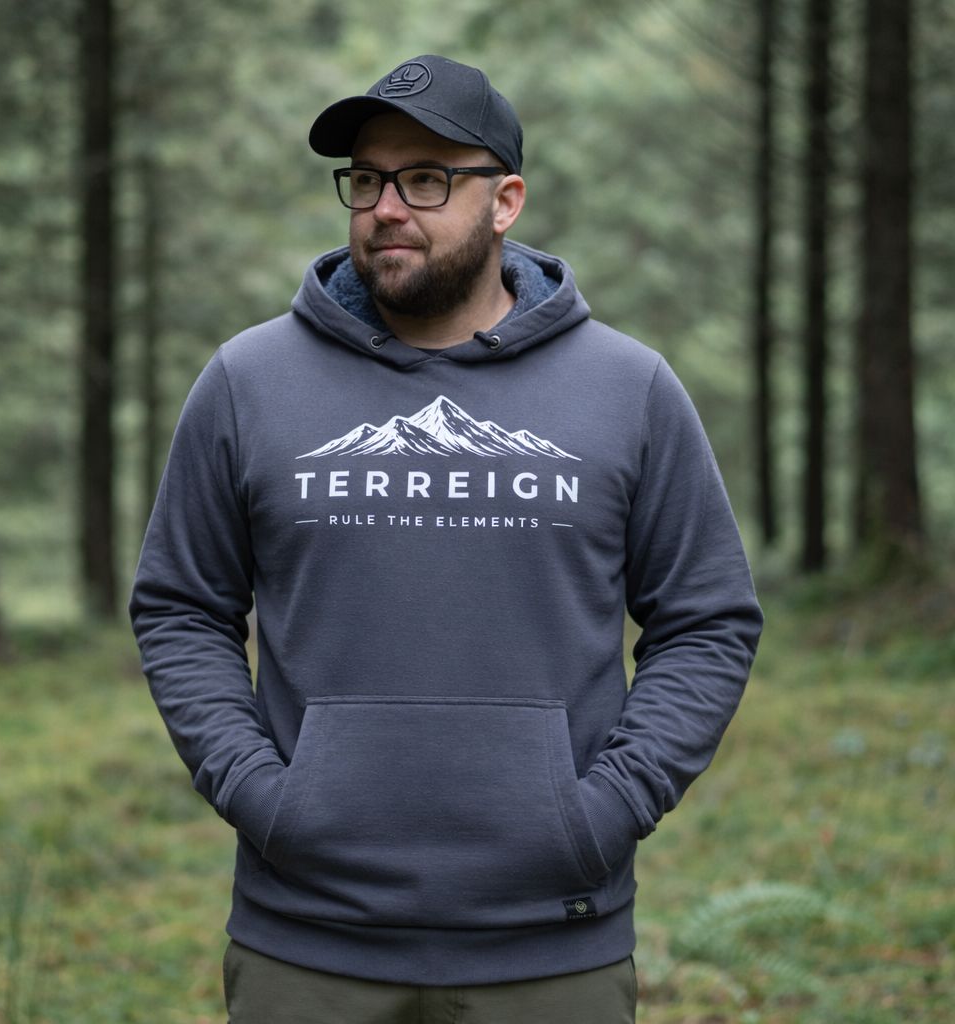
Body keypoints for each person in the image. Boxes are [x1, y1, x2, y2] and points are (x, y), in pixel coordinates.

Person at [129, 54, 763, 1023]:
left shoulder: (626, 388)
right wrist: (264, 796)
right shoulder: (247, 382)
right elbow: (181, 608)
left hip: (552, 942)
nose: (387, 207)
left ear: (505, 201)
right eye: (367, 179)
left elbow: (707, 620)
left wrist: (603, 811)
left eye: (426, 179)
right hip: (307, 943)